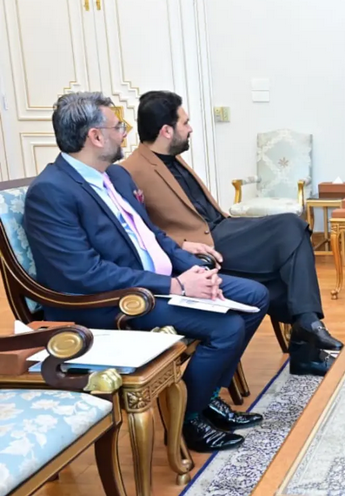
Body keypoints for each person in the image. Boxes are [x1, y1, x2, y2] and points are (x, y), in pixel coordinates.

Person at [24, 92, 270, 453]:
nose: (124, 134)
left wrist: (196, 273)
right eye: (118, 127)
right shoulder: (51, 192)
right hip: (110, 304)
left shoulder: (117, 178)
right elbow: (82, 274)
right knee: (226, 326)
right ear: (95, 137)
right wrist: (175, 284)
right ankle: (189, 418)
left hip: (156, 285)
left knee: (254, 296)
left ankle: (205, 397)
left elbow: (153, 237)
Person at [121, 90, 341, 377]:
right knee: (290, 225)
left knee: (287, 263)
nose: (190, 129)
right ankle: (307, 330)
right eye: (185, 123)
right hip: (205, 245)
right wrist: (182, 244)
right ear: (166, 130)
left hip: (224, 228)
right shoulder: (130, 171)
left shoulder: (173, 158)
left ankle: (305, 341)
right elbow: (136, 233)